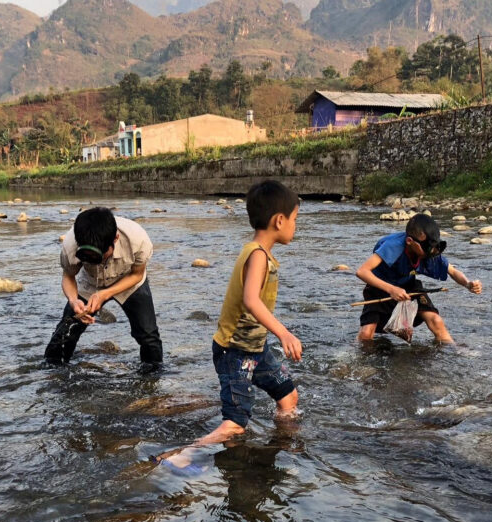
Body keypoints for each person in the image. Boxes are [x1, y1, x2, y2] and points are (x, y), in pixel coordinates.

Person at [160, 180, 301, 471]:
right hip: (234, 353)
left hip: (255, 349)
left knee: (289, 397)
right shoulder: (258, 255)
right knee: (235, 425)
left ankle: (281, 445)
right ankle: (185, 453)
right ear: (279, 220)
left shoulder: (261, 253)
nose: (295, 226)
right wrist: (284, 332)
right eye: (295, 220)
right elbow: (251, 300)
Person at [44, 206, 163, 370]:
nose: (96, 261)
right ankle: (53, 372)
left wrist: (105, 294)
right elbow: (68, 276)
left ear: (116, 238)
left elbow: (136, 275)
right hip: (90, 283)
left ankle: (152, 378)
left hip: (129, 282)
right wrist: (73, 300)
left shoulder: (138, 240)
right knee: (64, 334)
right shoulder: (70, 245)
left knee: (149, 336)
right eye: (89, 257)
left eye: (100, 256)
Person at [355, 213, 482, 344]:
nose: (431, 252)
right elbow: (362, 271)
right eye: (427, 247)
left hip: (408, 285)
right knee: (366, 334)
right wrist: (392, 289)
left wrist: (467, 284)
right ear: (410, 241)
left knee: (436, 321)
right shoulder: (393, 246)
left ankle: (455, 350)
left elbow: (453, 271)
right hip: (379, 287)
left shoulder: (428, 251)